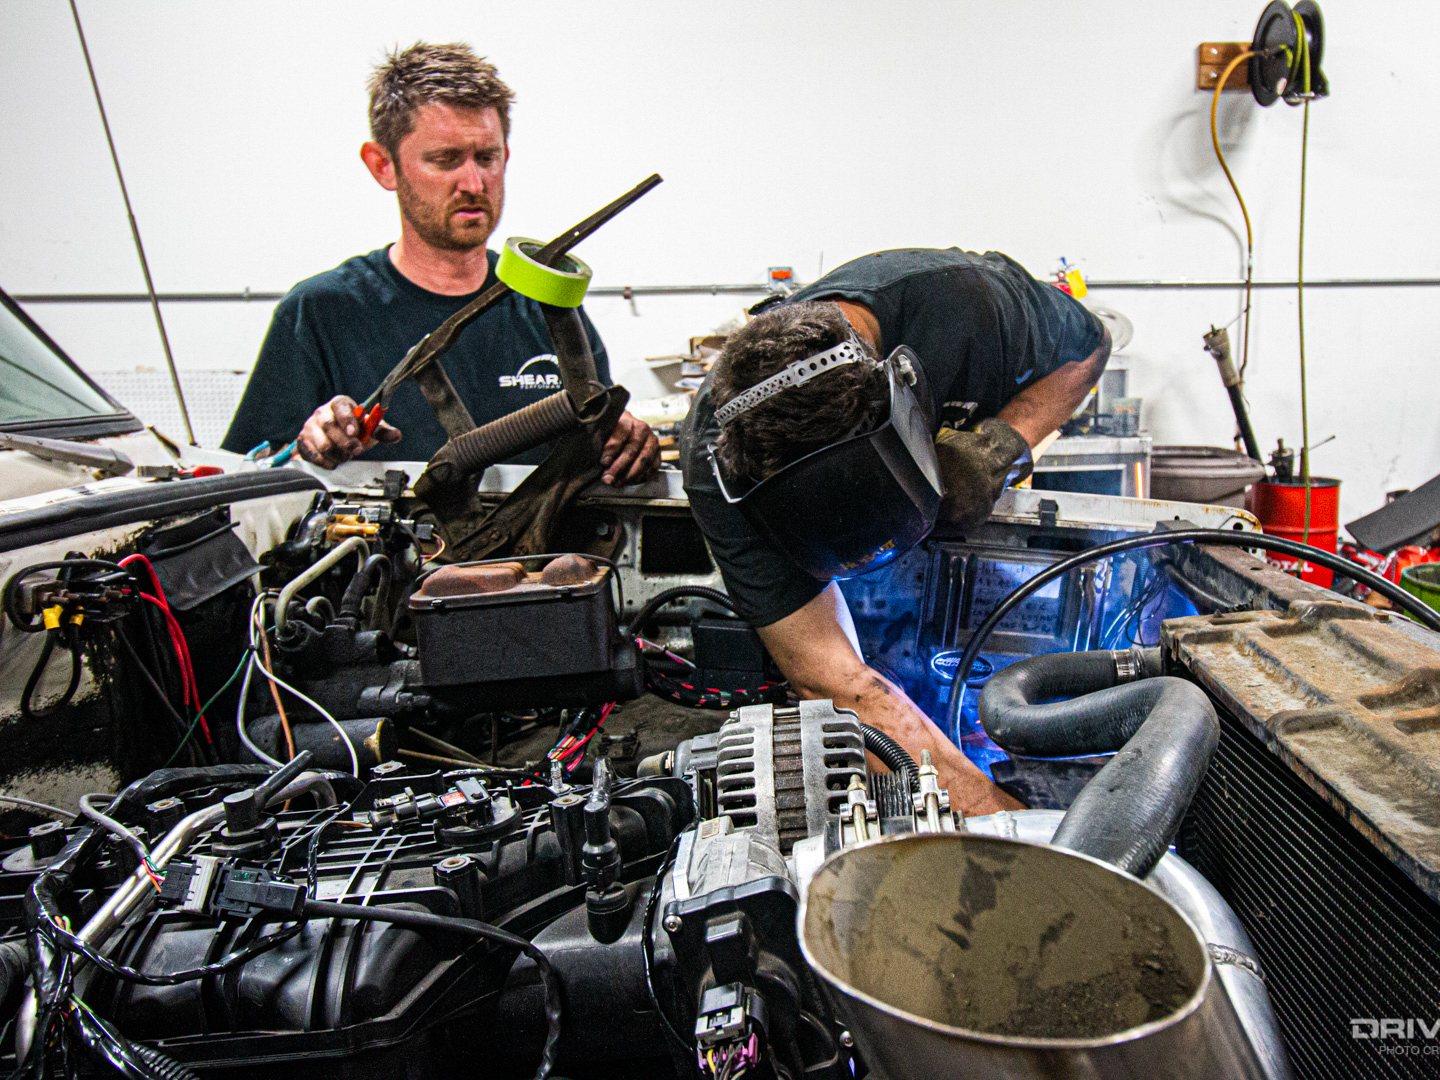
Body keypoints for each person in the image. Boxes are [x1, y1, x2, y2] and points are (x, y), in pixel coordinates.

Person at [680, 248, 1111, 814]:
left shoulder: (967, 306)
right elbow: (829, 679)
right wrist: (999, 819)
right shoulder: (717, 456)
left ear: (902, 397)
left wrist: (1003, 443)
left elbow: (1089, 347)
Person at [223, 42, 657, 485]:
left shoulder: (546, 307)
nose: (474, 183)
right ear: (383, 166)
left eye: (486, 158)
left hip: (542, 552)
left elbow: (597, 448)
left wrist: (626, 441)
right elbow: (252, 481)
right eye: (445, 160)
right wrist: (310, 446)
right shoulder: (320, 311)